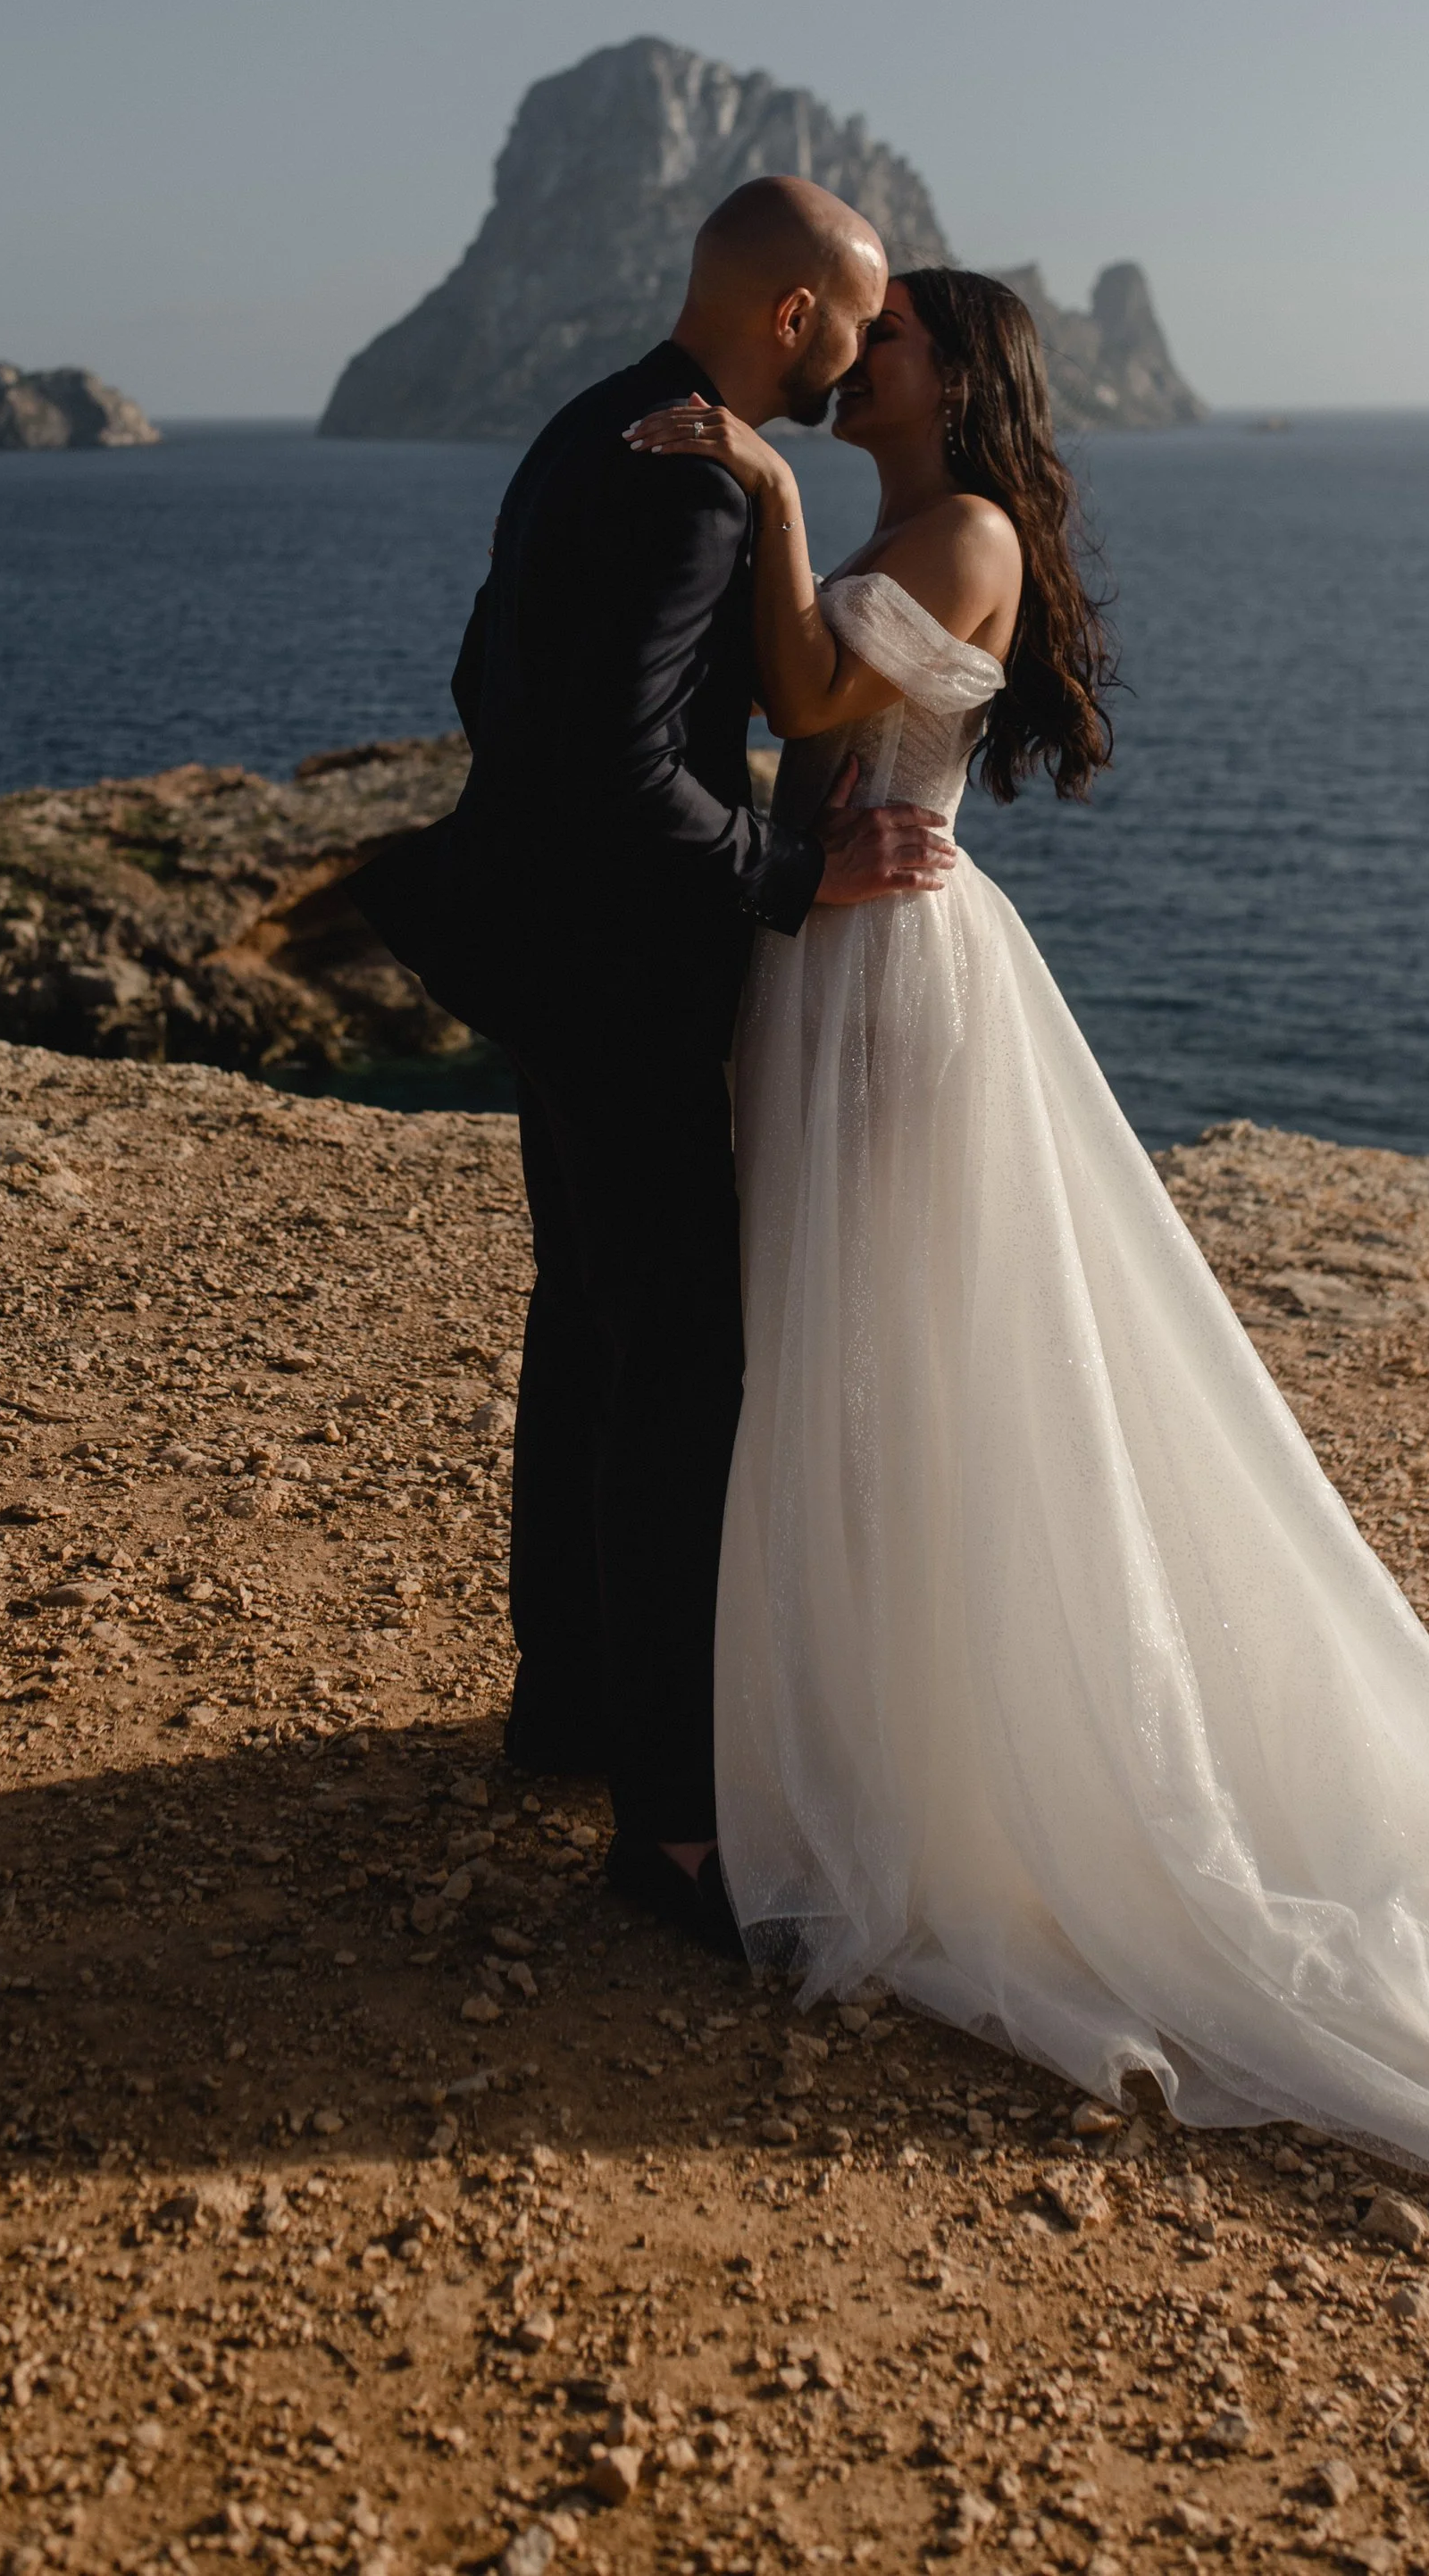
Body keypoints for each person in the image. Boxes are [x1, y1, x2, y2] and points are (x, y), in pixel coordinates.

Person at [625, 265, 1429, 2252]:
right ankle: (884, 1708)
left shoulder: (953, 524)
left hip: (890, 972)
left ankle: (943, 1742)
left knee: (904, 1343)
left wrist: (757, 493)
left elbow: (810, 703)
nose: (845, 356)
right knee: (846, 1345)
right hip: (822, 956)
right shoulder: (914, 522)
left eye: (881, 340)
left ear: (948, 379)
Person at [355, 178, 952, 1957]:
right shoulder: (691, 479)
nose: (856, 349)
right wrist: (791, 874)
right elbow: (628, 770)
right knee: (676, 1373)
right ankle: (674, 1829)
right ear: (791, 318)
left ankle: (568, 1709)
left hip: (546, 965)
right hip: (620, 987)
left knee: (592, 1327)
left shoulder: (580, 427)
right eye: (850, 318)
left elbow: (486, 674)